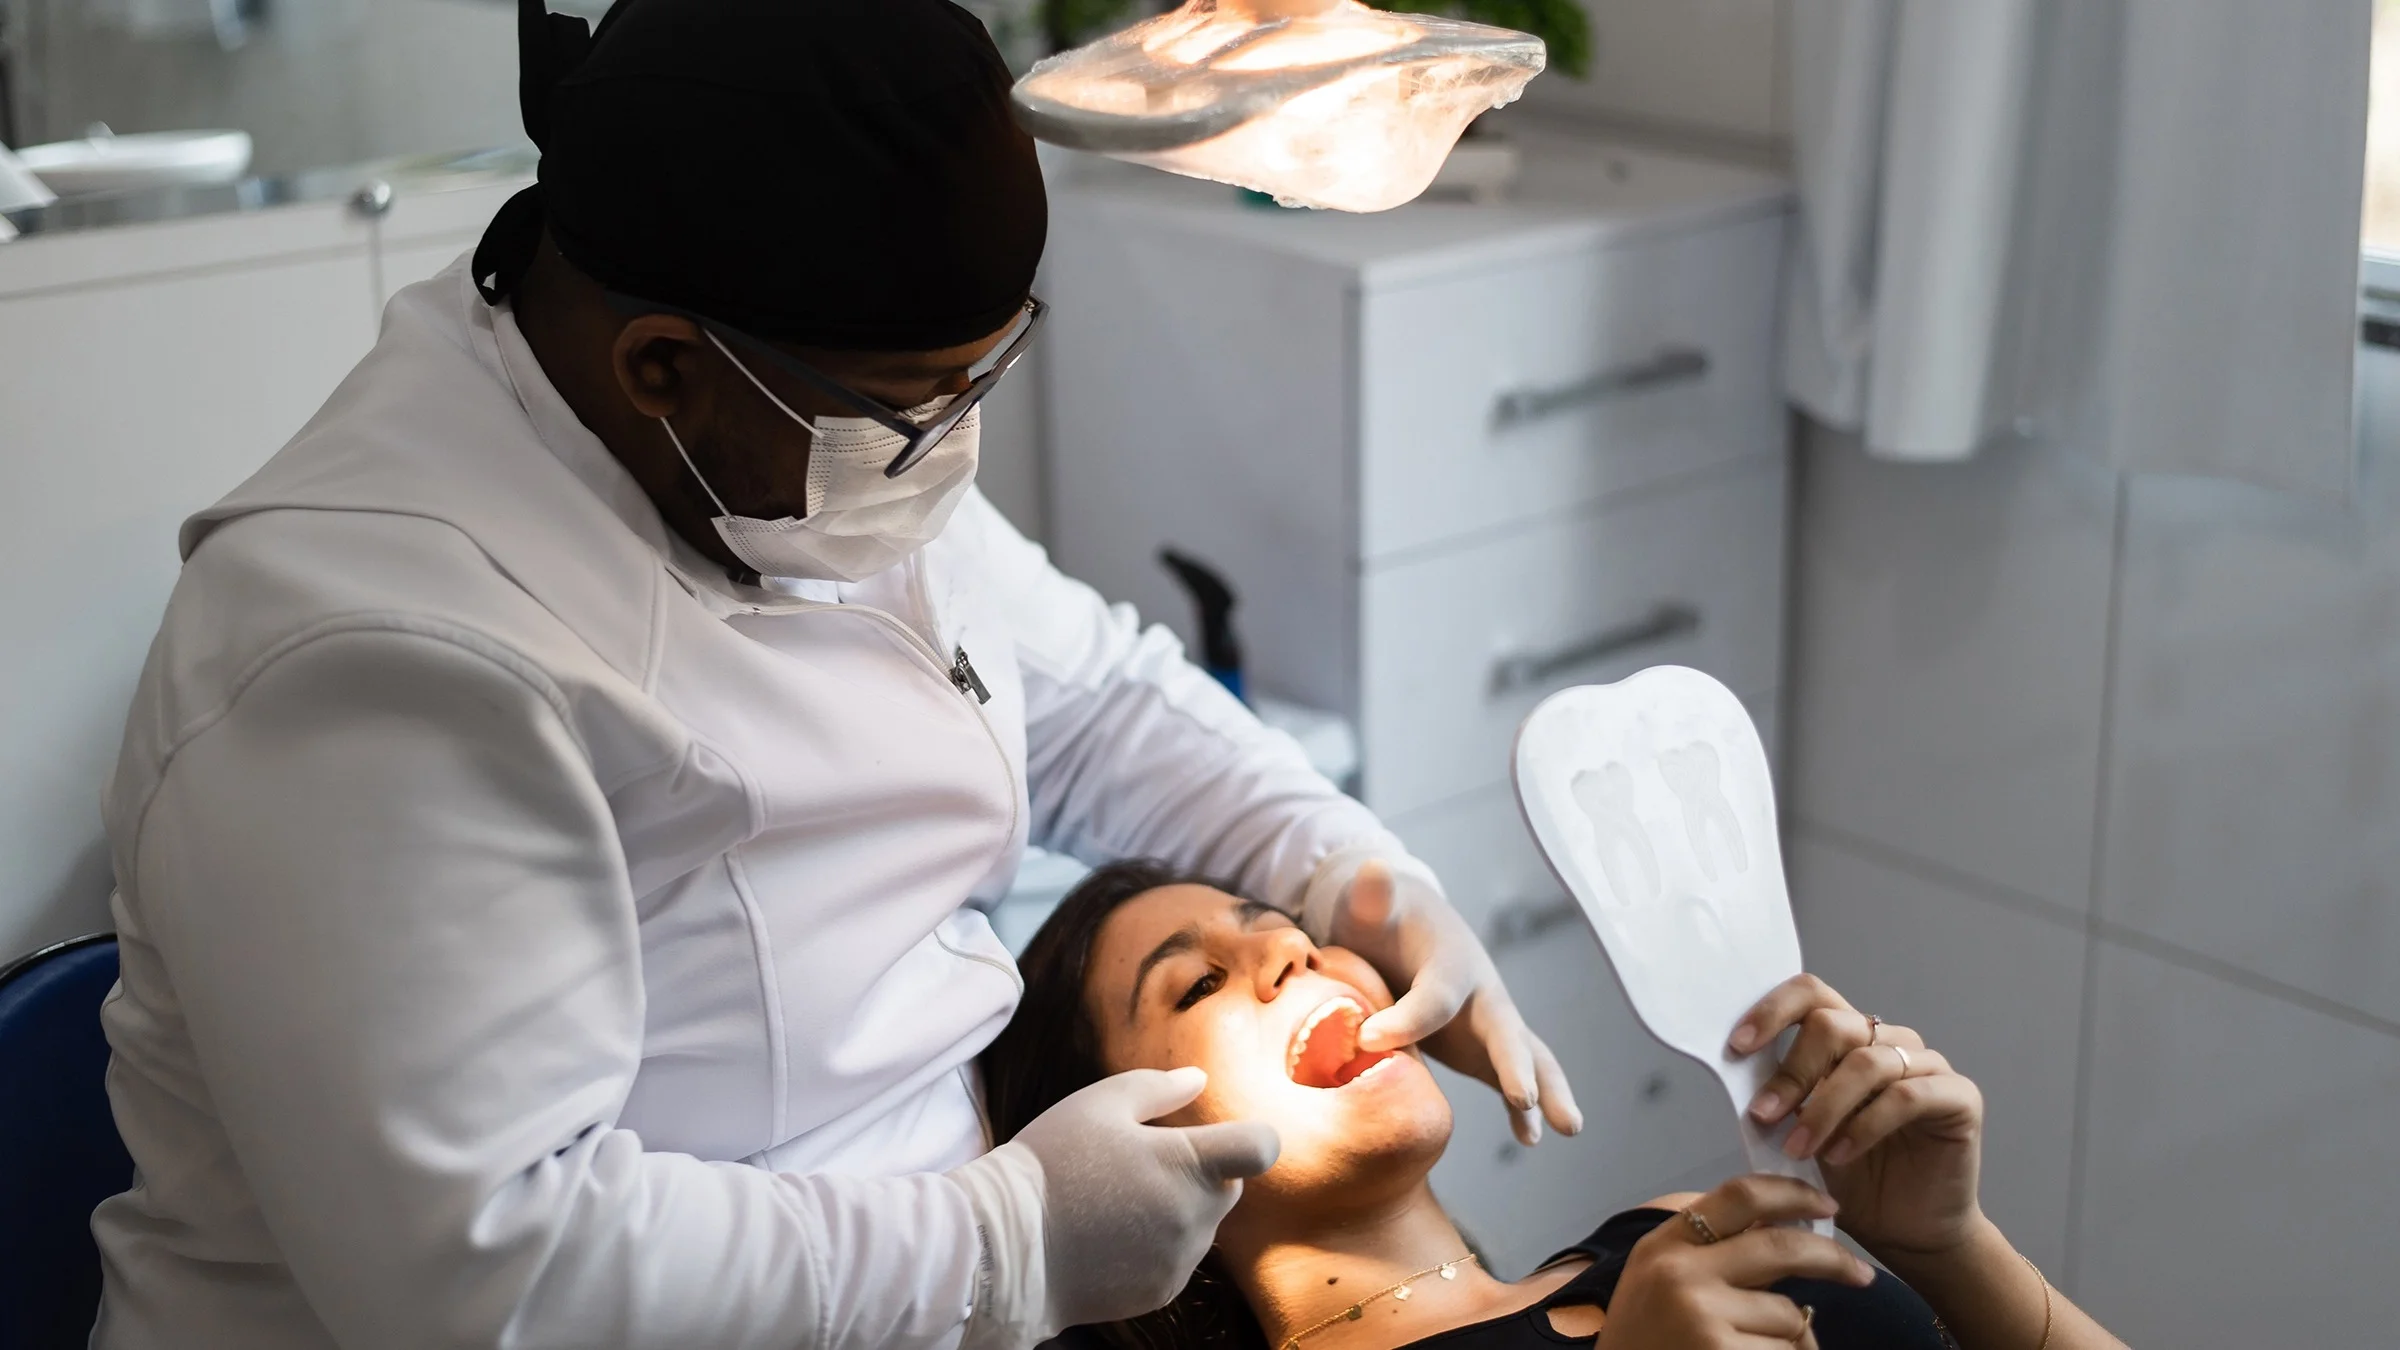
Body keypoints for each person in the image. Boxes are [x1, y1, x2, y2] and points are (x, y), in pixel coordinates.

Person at [85, 3, 1575, 1348]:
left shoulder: (772, 443)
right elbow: (496, 1281)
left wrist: (1346, 868)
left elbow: (1097, 699)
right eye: (921, 413)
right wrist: (1011, 1239)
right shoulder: (369, 660)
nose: (950, 456)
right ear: (662, 364)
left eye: (981, 379)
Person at [982, 860, 2134, 1350]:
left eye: (1276, 924)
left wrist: (1947, 1247)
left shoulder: (1677, 1240)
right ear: (1123, 1163)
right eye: (1195, 984)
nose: (1291, 948)